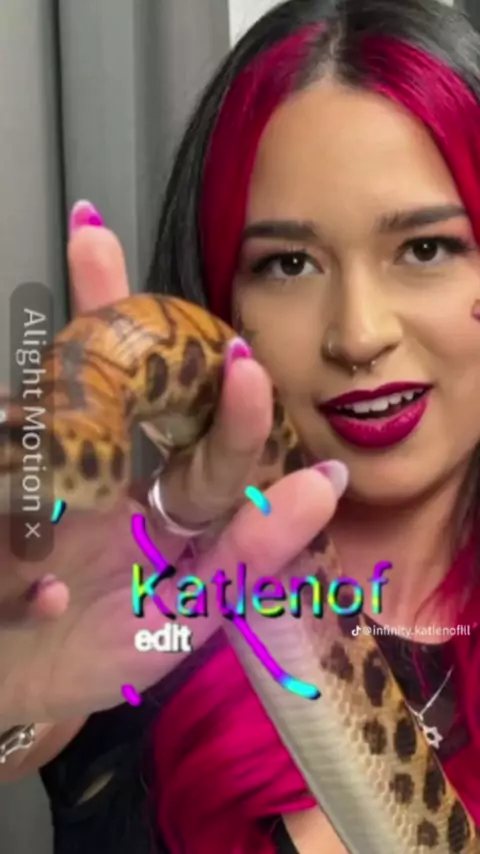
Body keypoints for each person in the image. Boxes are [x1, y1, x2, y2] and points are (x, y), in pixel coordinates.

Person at [2, 0, 480, 851]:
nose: (358, 334)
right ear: (221, 298)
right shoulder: (136, 615)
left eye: (426, 248)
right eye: (288, 264)